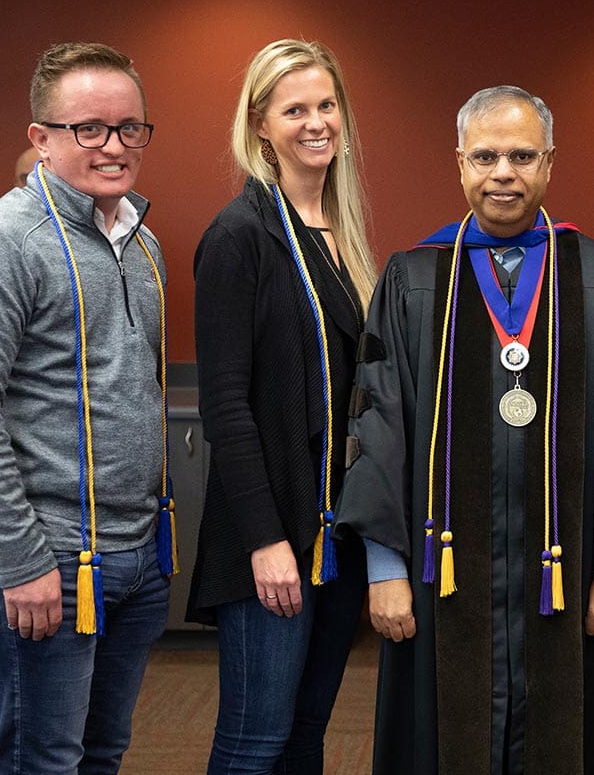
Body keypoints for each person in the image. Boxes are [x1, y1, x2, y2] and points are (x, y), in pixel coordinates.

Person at [336, 85, 594, 775]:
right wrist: (386, 571)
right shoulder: (413, 278)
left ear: (549, 163)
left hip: (569, 573)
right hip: (437, 574)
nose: (503, 172)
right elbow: (377, 423)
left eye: (521, 155)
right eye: (485, 155)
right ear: (459, 163)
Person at [0, 42, 172, 774]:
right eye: (90, 128)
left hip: (131, 558)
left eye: (130, 126)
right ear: (40, 138)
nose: (114, 145)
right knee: (43, 763)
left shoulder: (140, 242)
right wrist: (20, 560)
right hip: (45, 561)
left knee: (100, 754)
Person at [185, 39, 375, 773]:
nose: (316, 122)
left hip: (333, 534)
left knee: (303, 738)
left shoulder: (338, 235)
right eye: (295, 109)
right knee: (253, 742)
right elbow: (225, 406)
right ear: (261, 124)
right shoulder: (241, 236)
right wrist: (267, 542)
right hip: (270, 541)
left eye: (327, 105)